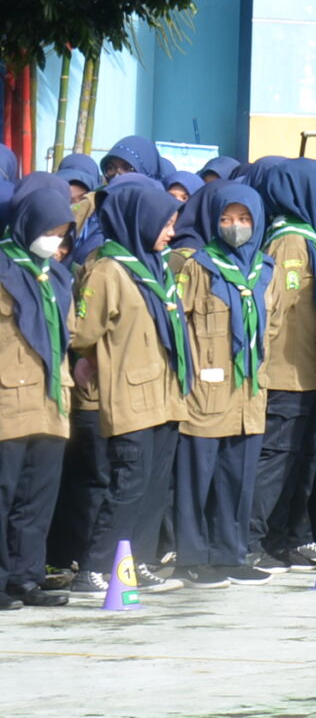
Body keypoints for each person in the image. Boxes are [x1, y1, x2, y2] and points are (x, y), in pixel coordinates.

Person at [69, 178, 189, 593]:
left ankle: (134, 562)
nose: (171, 232)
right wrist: (88, 360)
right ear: (139, 221)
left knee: (154, 488)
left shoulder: (155, 266)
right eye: (166, 223)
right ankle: (95, 567)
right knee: (127, 485)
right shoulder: (108, 271)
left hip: (166, 395)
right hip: (131, 395)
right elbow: (82, 333)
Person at [169, 179, 271, 585]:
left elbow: (272, 328)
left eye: (244, 218)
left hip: (248, 392)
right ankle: (191, 556)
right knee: (197, 477)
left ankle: (231, 553)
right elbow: (180, 325)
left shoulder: (268, 270)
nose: (235, 226)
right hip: (205, 391)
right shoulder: (198, 266)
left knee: (239, 477)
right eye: (227, 218)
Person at [243, 158, 316, 568]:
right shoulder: (288, 242)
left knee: (303, 459)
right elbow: (274, 311)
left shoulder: (310, 238)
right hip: (286, 372)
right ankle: (255, 539)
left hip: (311, 372)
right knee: (276, 460)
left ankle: (290, 536)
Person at [1, 178, 77, 607]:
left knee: (37, 496)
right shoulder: (4, 269)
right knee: (4, 491)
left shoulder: (57, 279)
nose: (55, 241)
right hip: (8, 399)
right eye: (49, 231)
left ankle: (24, 578)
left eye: (62, 234)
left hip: (50, 400)